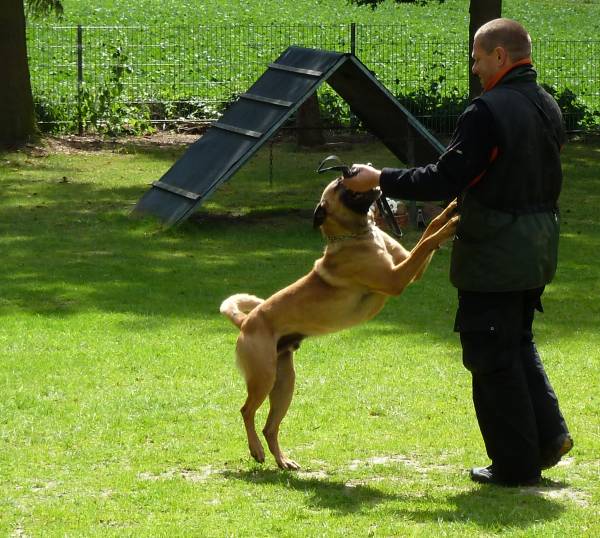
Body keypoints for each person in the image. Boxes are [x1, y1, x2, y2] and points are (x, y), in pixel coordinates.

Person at [343, 18, 572, 486]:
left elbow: (445, 177)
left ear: (500, 57)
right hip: (539, 245)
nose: (474, 68)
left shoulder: (487, 111)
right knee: (516, 339)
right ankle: (550, 437)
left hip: (496, 250)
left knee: (490, 352)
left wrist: (379, 178)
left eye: (477, 58)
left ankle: (515, 466)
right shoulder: (546, 103)